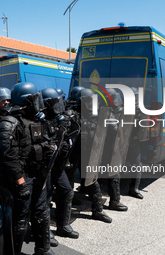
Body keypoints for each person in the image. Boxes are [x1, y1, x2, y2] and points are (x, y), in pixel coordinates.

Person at [0, 82, 55, 255]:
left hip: (38, 174)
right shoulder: (9, 122)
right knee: (21, 219)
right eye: (35, 100)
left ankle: (42, 249)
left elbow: (42, 141)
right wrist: (20, 182)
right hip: (22, 177)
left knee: (41, 212)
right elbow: (9, 156)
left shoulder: (35, 120)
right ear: (26, 101)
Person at [41, 88, 79, 242]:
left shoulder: (60, 118)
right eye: (55, 103)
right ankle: (45, 231)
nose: (59, 106)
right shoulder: (40, 120)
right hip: (44, 166)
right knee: (46, 197)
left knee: (67, 191)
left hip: (57, 164)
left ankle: (62, 226)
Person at [71, 87, 112, 223]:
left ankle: (97, 210)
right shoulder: (72, 116)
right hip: (73, 156)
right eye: (88, 101)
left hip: (88, 156)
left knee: (93, 183)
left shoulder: (95, 116)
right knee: (67, 183)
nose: (90, 104)